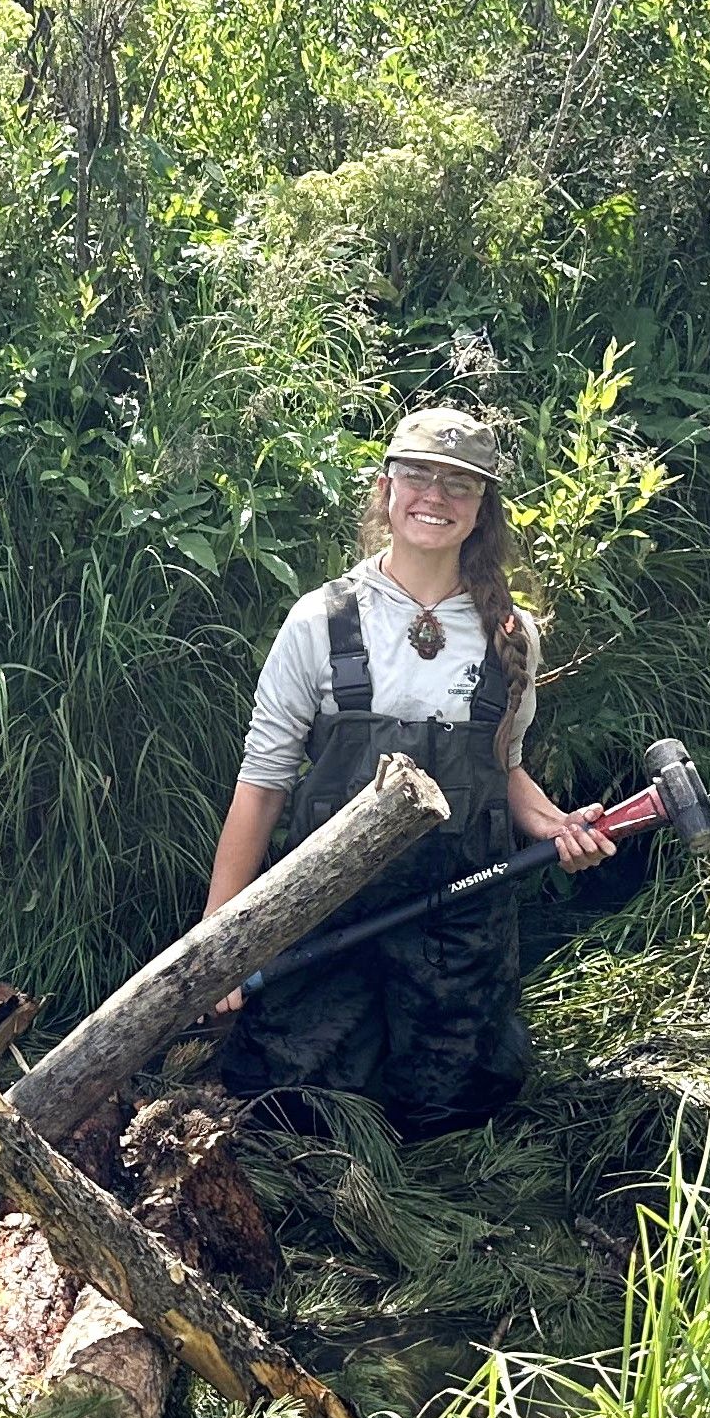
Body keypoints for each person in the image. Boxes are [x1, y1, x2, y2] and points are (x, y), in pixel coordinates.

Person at [200, 408, 609, 1139]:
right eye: (418, 475)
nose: (436, 496)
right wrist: (221, 943)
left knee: (451, 1123)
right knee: (298, 1117)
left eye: (460, 484)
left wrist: (556, 825)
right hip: (328, 921)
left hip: (459, 929)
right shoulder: (320, 622)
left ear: (482, 509)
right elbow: (262, 784)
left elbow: (503, 768)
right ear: (387, 487)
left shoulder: (512, 633)